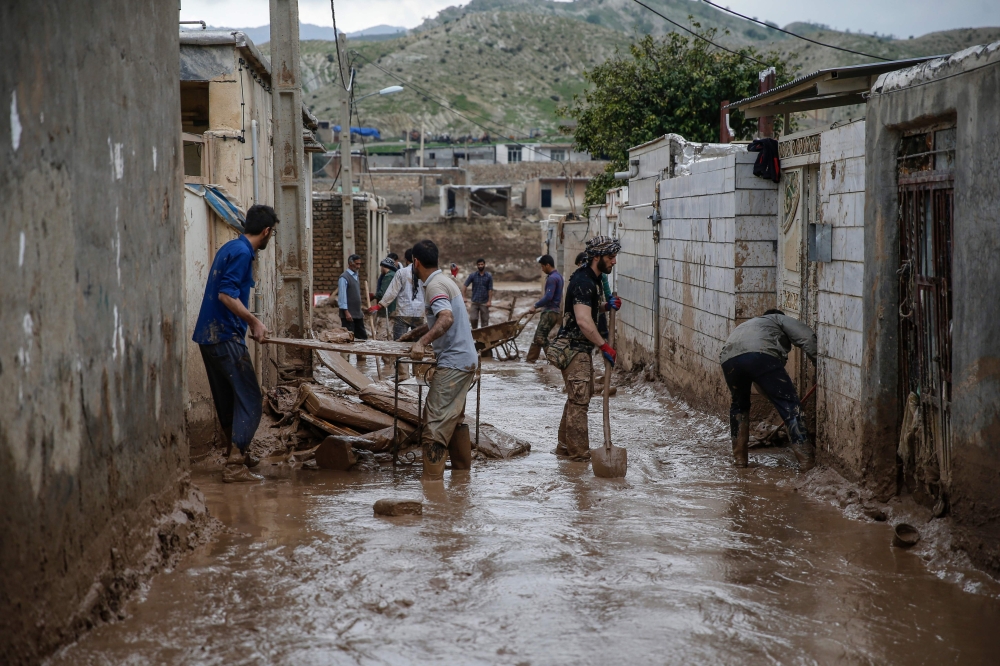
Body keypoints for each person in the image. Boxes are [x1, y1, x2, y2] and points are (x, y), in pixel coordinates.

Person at [192, 204, 277, 482]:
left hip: (209, 335)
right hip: (225, 334)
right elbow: (227, 296)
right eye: (271, 234)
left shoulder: (230, 247)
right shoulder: (243, 253)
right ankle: (235, 464)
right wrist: (254, 321)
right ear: (266, 232)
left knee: (229, 399)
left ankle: (235, 452)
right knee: (251, 397)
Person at [409, 240, 480, 480]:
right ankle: (462, 478)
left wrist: (422, 343)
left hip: (454, 362)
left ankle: (432, 485)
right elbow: (441, 316)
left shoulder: (434, 285)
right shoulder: (447, 281)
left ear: (415, 262)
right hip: (466, 359)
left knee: (434, 425)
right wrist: (416, 333)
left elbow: (446, 318)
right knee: (455, 418)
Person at [547, 236, 623, 460]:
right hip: (573, 349)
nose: (614, 262)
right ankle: (579, 457)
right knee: (580, 401)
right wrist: (604, 346)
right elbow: (582, 320)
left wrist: (603, 306)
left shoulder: (592, 279)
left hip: (579, 349)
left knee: (577, 398)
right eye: (610, 257)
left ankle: (564, 448)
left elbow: (586, 309)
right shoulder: (583, 281)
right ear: (597, 257)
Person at [719, 309, 818, 471]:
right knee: (790, 405)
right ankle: (807, 463)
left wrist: (774, 395)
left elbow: (761, 381)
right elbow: (807, 338)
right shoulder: (778, 319)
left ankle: (740, 460)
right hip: (760, 356)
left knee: (739, 406)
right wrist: (818, 363)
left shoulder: (748, 325)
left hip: (729, 360)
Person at [370, 248, 424, 341]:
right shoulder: (424, 273)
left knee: (399, 343)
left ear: (406, 260)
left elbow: (392, 292)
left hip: (403, 313)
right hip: (419, 313)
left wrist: (379, 306)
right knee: (417, 343)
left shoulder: (401, 272)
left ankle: (400, 356)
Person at [526, 254, 563, 363]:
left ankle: (553, 359)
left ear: (548, 265)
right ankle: (530, 361)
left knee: (540, 337)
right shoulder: (559, 276)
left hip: (550, 312)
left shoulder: (552, 278)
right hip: (554, 311)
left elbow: (548, 297)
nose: (542, 269)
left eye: (542, 266)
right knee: (539, 336)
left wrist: (535, 305)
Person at [338, 253, 368, 342]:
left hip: (357, 314)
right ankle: (344, 356)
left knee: (362, 339)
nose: (358, 266)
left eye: (360, 264)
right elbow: (342, 297)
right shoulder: (344, 278)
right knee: (347, 339)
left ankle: (361, 356)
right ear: (351, 263)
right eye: (357, 264)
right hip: (349, 315)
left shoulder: (355, 276)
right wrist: (346, 312)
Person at [463, 258, 493, 328]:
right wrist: (464, 297)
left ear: (484, 265)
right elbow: (465, 285)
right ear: (477, 266)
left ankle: (483, 337)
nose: (480, 266)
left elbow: (490, 289)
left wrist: (489, 301)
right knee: (473, 319)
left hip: (484, 302)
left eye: (482, 264)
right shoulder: (473, 275)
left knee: (485, 322)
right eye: (479, 265)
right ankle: (475, 335)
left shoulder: (489, 276)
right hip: (475, 302)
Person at [374, 256, 397, 337]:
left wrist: (373, 296)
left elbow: (383, 293)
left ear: (384, 266)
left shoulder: (388, 276)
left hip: (387, 310)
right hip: (393, 309)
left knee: (382, 334)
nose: (381, 269)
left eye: (381, 267)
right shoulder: (394, 274)